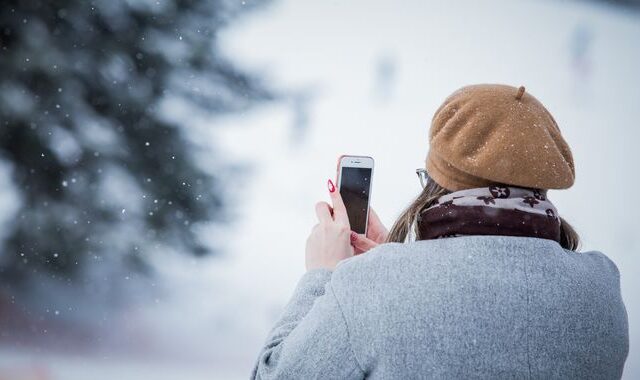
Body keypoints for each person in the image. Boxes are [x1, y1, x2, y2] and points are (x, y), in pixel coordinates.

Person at [251, 84, 629, 379]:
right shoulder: (602, 289)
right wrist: (393, 262)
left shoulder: (374, 285)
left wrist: (325, 276)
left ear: (438, 183)